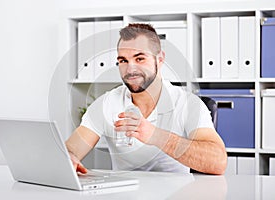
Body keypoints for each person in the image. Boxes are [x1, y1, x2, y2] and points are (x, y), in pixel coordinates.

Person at [66, 23, 227, 175]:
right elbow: (72, 150)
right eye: (123, 60)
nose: (130, 69)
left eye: (140, 58)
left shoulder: (187, 104)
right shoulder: (107, 103)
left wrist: (156, 136)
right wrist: (70, 158)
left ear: (160, 59)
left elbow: (218, 162)